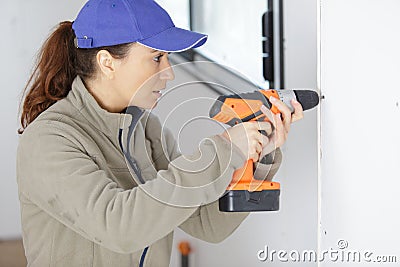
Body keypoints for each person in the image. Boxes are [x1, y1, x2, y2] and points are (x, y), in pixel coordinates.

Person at [16, 0, 303, 266]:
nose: (170, 72)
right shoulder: (49, 141)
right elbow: (119, 227)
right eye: (156, 58)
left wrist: (256, 158)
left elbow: (208, 224)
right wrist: (224, 148)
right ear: (107, 63)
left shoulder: (147, 131)